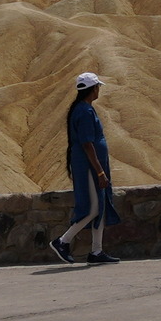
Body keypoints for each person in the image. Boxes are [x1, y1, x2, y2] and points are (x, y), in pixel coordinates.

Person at [49, 73, 118, 265]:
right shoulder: (85, 112)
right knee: (92, 208)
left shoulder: (84, 109)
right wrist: (100, 171)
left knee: (100, 207)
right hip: (89, 166)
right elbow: (88, 144)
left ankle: (97, 251)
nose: (99, 90)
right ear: (92, 89)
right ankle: (63, 241)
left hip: (91, 164)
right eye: (97, 87)